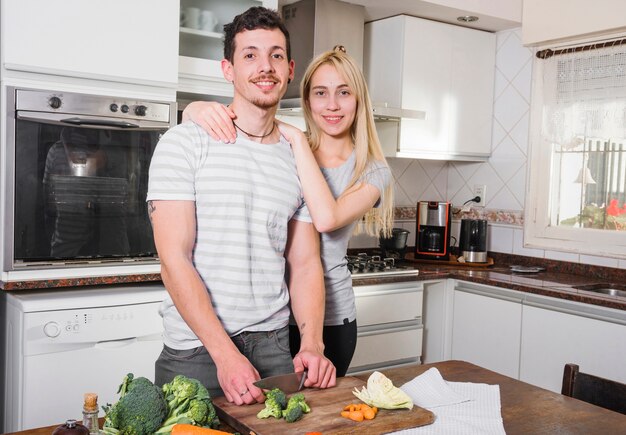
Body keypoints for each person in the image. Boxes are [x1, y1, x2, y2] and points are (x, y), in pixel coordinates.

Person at [147, 6, 336, 406]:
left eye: (276, 55)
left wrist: (314, 344)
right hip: (196, 350)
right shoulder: (185, 142)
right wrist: (225, 354)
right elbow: (174, 260)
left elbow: (304, 263)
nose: (264, 67)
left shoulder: (297, 157)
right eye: (249, 55)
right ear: (228, 69)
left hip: (274, 346)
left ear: (289, 69)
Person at [183, 46, 394, 377]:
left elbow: (326, 218)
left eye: (344, 93)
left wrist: (295, 139)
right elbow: (212, 127)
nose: (332, 105)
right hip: (271, 317)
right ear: (308, 101)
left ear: (358, 100)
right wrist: (194, 109)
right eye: (320, 93)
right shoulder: (284, 149)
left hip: (328, 322)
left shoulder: (371, 171)